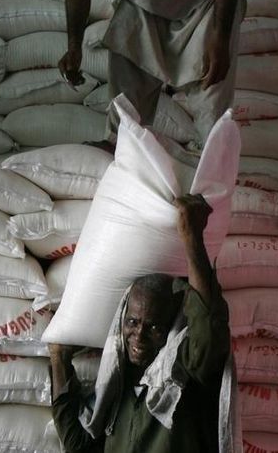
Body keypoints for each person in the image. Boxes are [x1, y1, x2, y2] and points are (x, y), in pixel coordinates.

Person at [48, 193, 233, 453]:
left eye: (155, 327)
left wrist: (191, 237)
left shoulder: (188, 376)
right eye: (132, 322)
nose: (139, 336)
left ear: (172, 328)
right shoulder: (115, 388)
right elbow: (78, 444)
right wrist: (58, 357)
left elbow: (207, 328)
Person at [58, 0, 245, 151]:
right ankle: (119, 140)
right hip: (145, 1)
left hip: (206, 2)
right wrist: (74, 47)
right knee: (126, 42)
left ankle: (209, 180)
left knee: (211, 90)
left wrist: (221, 37)